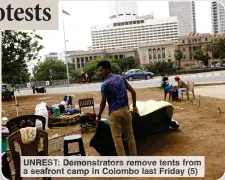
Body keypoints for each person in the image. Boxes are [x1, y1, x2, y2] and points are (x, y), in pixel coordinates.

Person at [96, 60, 138, 156]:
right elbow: (133, 92)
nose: (99, 73)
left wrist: (99, 115)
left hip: (114, 113)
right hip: (126, 111)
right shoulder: (121, 78)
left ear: (107, 69)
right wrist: (134, 106)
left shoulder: (105, 84)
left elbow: (103, 102)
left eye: (101, 70)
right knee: (130, 137)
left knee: (118, 139)